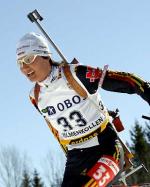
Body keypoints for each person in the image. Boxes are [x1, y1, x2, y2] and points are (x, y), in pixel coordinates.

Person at [16, 32, 150, 187]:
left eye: (28, 59)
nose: (24, 67)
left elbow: (127, 80)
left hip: (106, 147)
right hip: (76, 157)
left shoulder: (74, 74)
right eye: (20, 63)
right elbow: (56, 131)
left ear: (45, 54)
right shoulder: (35, 95)